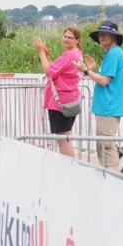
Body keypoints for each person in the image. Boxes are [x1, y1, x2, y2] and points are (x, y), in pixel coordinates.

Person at [76, 21, 123, 170]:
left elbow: (104, 81)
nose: (101, 37)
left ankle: (113, 179)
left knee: (106, 146)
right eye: (100, 34)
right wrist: (95, 69)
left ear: (114, 36)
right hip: (109, 105)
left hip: (108, 105)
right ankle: (112, 177)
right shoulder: (114, 53)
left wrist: (86, 71)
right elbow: (107, 78)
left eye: (106, 34)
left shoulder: (113, 53)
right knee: (104, 144)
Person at [35, 27, 83, 157]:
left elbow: (48, 71)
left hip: (60, 102)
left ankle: (68, 167)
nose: (66, 39)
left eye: (70, 37)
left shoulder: (69, 55)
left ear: (77, 40)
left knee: (63, 140)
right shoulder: (77, 54)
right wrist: (47, 55)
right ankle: (69, 166)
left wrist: (40, 52)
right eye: (65, 36)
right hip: (69, 100)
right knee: (65, 137)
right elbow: (55, 71)